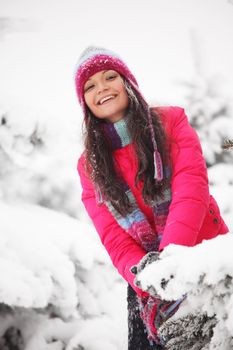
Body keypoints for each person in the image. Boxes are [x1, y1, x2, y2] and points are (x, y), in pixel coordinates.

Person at [74, 46, 229, 349]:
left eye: (110, 77)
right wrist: (148, 280)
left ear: (127, 82)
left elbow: (191, 190)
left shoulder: (171, 122)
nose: (101, 88)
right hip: (146, 284)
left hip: (201, 260)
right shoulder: (89, 165)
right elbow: (112, 236)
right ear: (85, 103)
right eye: (89, 86)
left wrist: (169, 262)